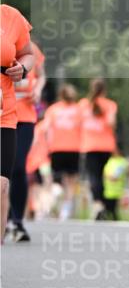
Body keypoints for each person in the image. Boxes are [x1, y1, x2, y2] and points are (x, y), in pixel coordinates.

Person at [1, 3, 35, 288]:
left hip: (5, 115)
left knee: (0, 186)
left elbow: (28, 53)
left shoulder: (10, 16)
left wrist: (21, 68)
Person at [8, 40, 46, 241]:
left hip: (25, 117)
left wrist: (38, 90)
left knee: (18, 167)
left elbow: (41, 75)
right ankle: (3, 219)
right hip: (3, 114)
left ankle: (17, 222)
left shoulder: (30, 48)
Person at [79, 78, 117, 220]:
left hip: (89, 145)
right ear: (105, 90)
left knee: (94, 176)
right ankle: (103, 206)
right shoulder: (110, 105)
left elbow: (78, 124)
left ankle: (98, 205)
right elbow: (111, 123)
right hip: (106, 145)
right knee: (101, 176)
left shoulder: (83, 104)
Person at [42, 84, 82, 220]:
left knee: (57, 180)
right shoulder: (78, 110)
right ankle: (65, 210)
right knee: (71, 181)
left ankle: (55, 196)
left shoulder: (53, 110)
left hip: (56, 148)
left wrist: (48, 145)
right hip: (73, 148)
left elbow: (46, 129)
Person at [102, 148, 128, 220]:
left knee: (113, 210)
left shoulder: (122, 161)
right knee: (108, 209)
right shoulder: (109, 160)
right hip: (107, 190)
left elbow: (115, 176)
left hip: (117, 191)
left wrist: (108, 176)